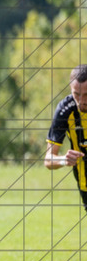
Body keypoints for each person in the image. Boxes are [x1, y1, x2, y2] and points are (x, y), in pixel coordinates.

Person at [45, 64, 87, 210]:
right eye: (77, 94)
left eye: (86, 94)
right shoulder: (65, 110)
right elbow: (48, 159)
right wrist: (64, 159)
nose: (81, 100)